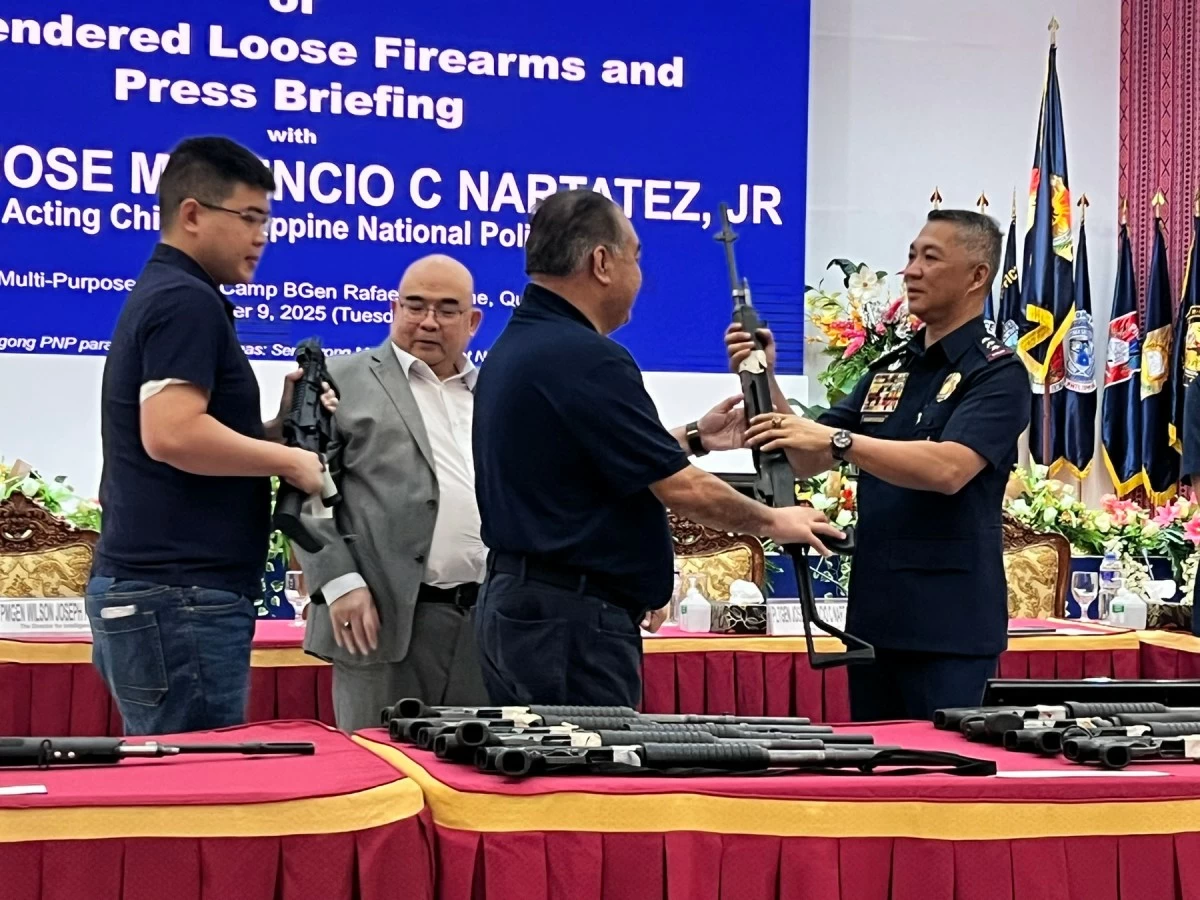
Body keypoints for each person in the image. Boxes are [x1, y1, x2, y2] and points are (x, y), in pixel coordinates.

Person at [472, 189, 842, 708]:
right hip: (570, 623)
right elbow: (681, 489)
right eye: (637, 256)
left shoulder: (522, 344)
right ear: (602, 262)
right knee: (591, 779)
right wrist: (777, 520)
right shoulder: (587, 357)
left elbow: (581, 467)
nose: (641, 276)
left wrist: (694, 438)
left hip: (531, 611)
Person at [727, 209, 1030, 721]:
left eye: (930, 258)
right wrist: (764, 378)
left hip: (949, 627)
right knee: (879, 779)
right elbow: (805, 456)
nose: (910, 270)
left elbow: (948, 469)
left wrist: (841, 440)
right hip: (875, 619)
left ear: (978, 276)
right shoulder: (890, 368)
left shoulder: (997, 373)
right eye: (912, 255)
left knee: (943, 782)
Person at [87, 136, 334, 736]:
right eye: (249, 217)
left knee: (177, 781)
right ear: (193, 214)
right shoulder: (184, 301)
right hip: (179, 594)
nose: (261, 236)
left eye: (267, 219)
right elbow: (172, 435)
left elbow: (185, 433)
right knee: (191, 789)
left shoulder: (175, 295)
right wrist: (289, 462)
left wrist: (277, 429)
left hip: (168, 591)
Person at [292, 254, 491, 731]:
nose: (428, 321)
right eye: (415, 306)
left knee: (476, 789)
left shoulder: (495, 393)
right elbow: (303, 490)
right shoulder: (339, 381)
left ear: (472, 321)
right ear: (393, 308)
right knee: (379, 783)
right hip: (379, 622)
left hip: (484, 628)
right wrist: (338, 580)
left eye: (446, 309)